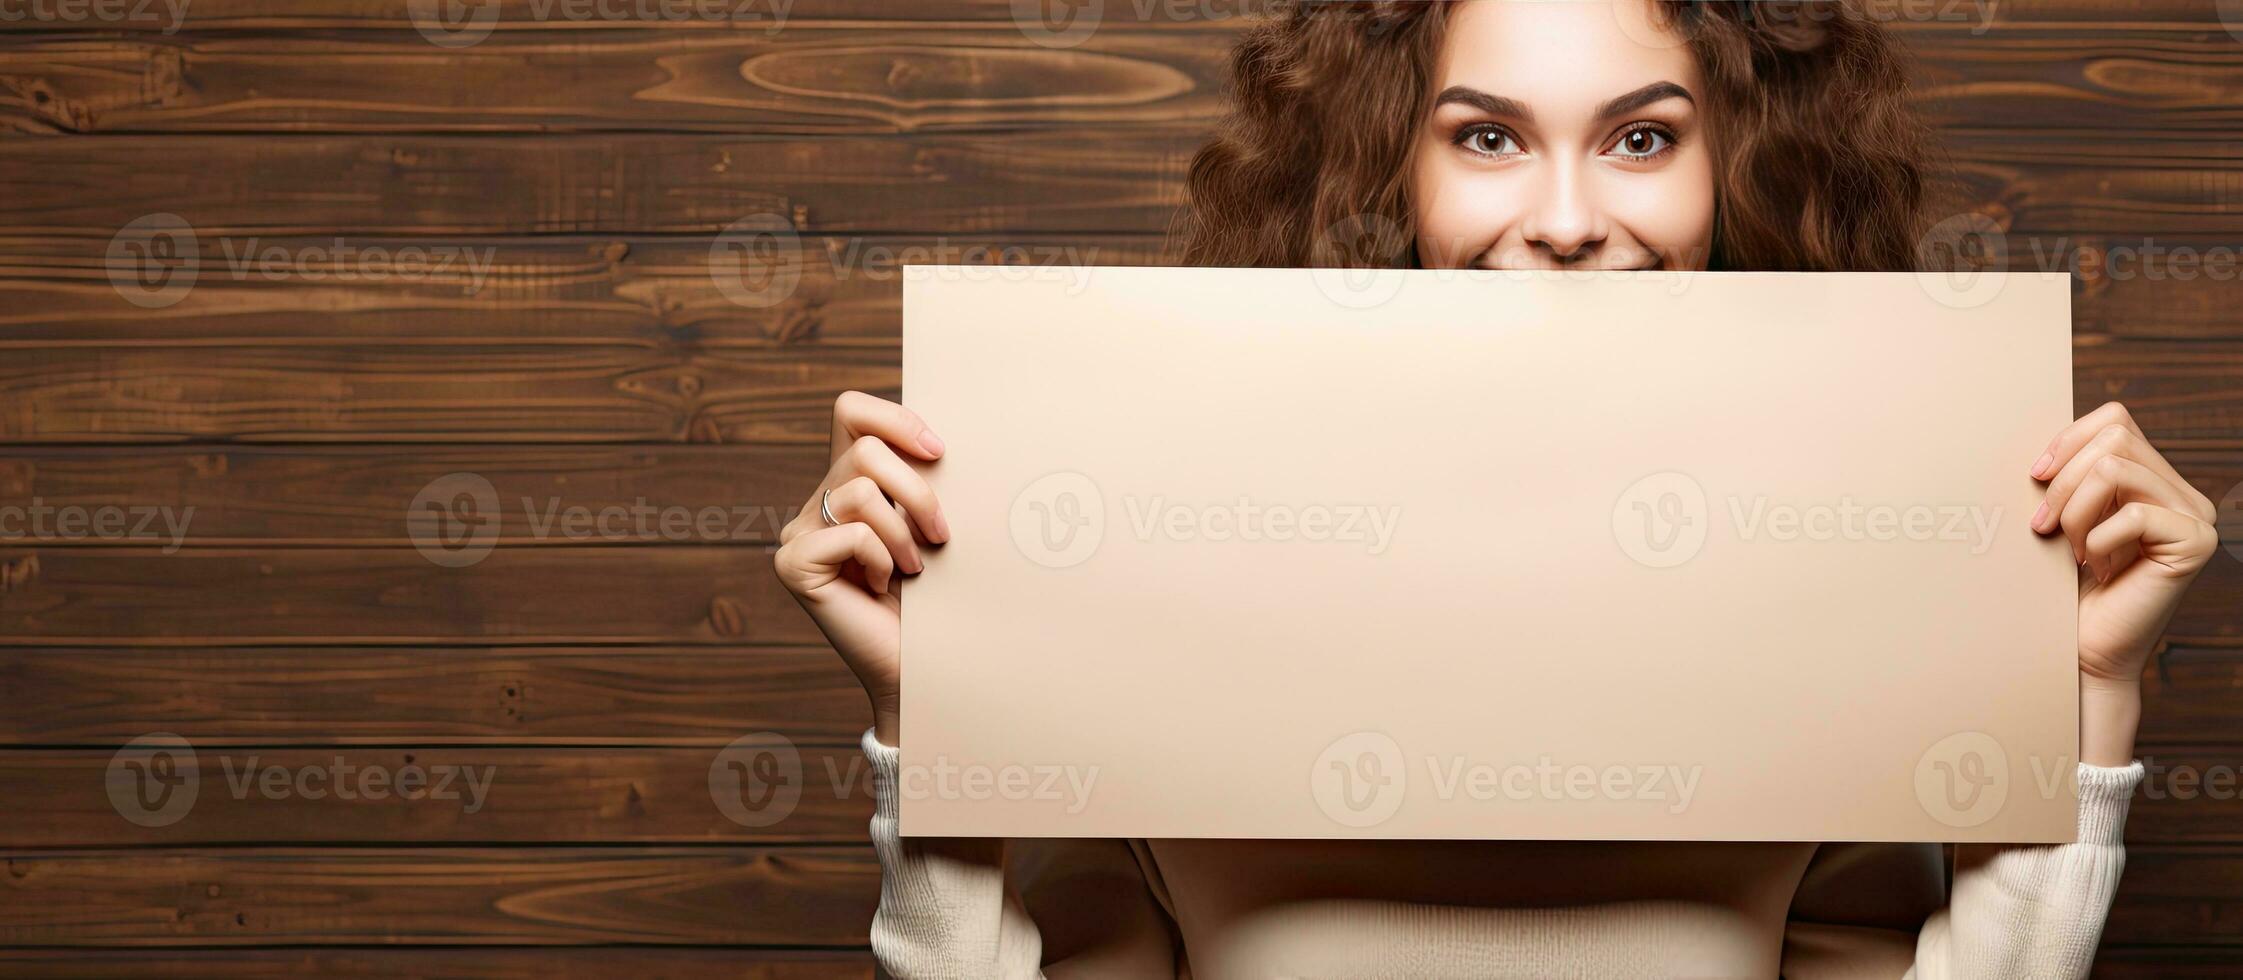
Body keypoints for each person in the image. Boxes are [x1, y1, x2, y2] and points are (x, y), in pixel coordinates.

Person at [771, 2, 2222, 976]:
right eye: (1488, 137)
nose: (1573, 220)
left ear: (1736, 174)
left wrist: (2087, 692)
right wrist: (933, 713)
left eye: (1643, 138)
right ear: (1388, 177)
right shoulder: (1162, 562)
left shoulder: (1845, 598)